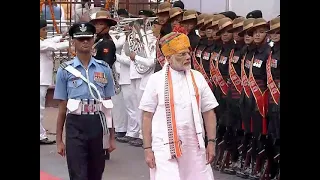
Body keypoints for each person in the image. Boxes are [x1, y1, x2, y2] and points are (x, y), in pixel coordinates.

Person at [140, 32, 219, 180]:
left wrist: (212, 142)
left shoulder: (198, 77)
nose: (188, 57)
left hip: (194, 146)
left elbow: (208, 111)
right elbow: (147, 116)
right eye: (181, 55)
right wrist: (147, 149)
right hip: (164, 146)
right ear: (169, 58)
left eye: (188, 53)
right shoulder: (155, 80)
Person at [54, 22, 115, 180]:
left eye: (88, 38)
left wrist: (112, 137)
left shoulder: (104, 68)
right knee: (77, 173)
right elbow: (62, 107)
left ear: (93, 39)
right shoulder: (64, 70)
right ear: (73, 41)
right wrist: (59, 139)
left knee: (96, 172)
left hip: (97, 122)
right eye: (80, 39)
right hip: (75, 124)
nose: (85, 42)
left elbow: (108, 105)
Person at [244, 18, 272, 179]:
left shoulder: (268, 53)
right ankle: (254, 164)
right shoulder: (252, 51)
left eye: (261, 32)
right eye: (254, 32)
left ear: (266, 35)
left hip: (264, 99)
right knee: (253, 132)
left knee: (264, 133)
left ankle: (265, 168)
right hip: (250, 98)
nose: (256, 35)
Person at [40, 19, 69, 145]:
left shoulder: (43, 41)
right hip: (40, 80)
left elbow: (51, 41)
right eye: (43, 29)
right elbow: (54, 46)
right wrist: (71, 42)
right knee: (40, 109)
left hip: (43, 80)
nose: (46, 32)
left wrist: (62, 36)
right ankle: (41, 136)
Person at [265, 16, 280, 180]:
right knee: (273, 134)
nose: (275, 35)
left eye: (278, 32)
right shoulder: (272, 50)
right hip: (272, 98)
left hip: (279, 97)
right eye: (273, 32)